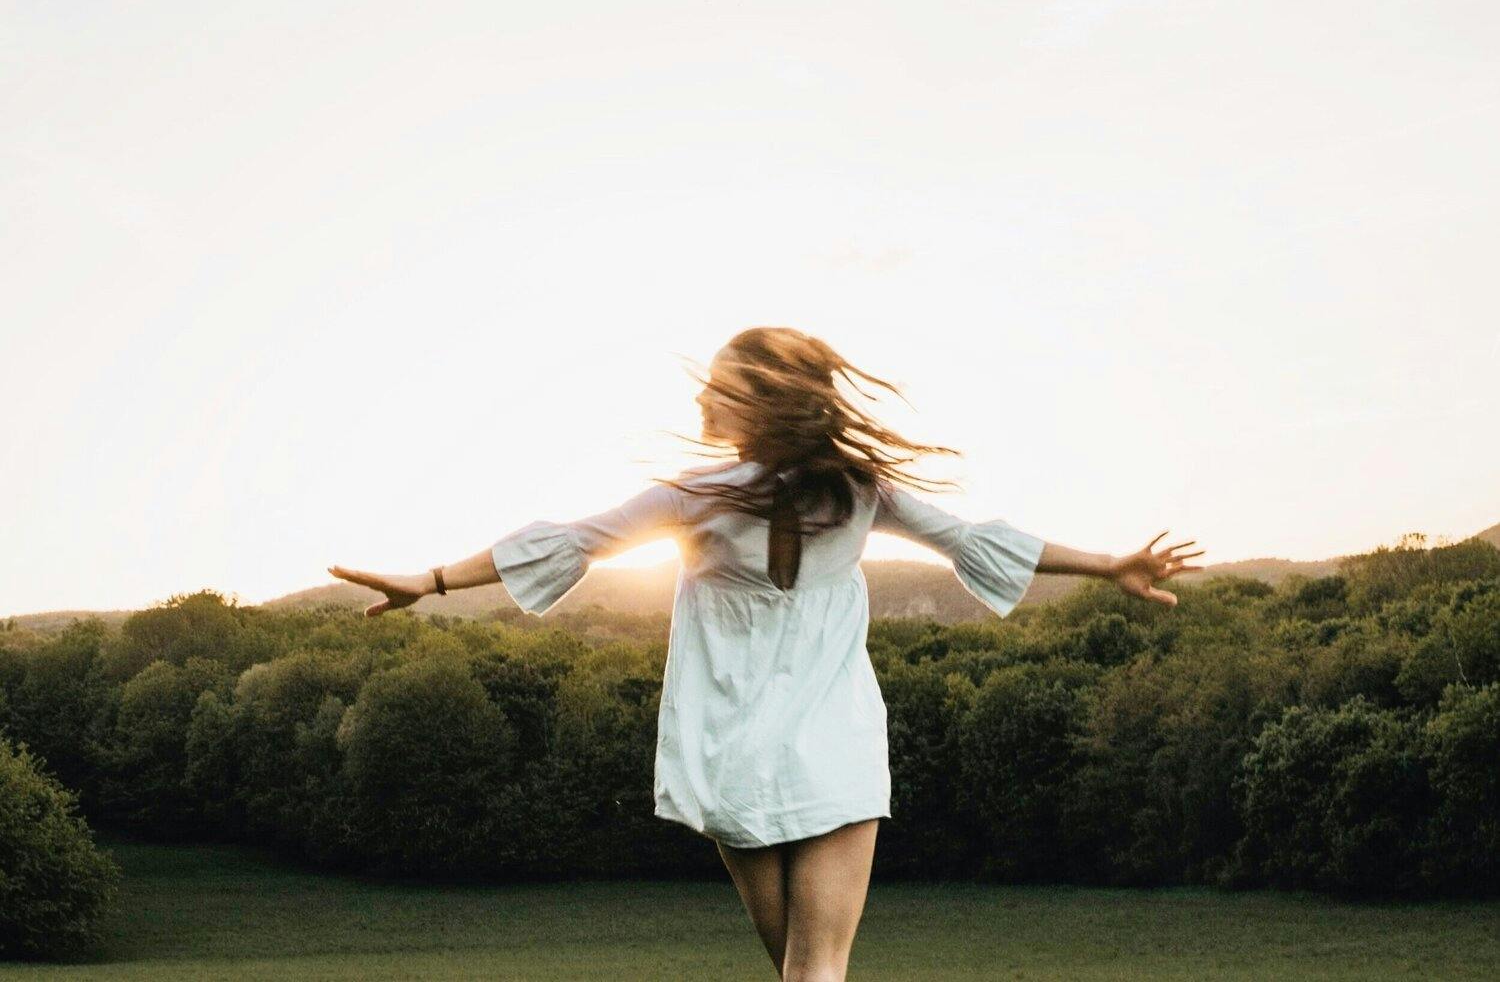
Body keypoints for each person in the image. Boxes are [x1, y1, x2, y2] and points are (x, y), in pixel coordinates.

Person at [328, 326, 1203, 982]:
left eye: (719, 389)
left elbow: (566, 543)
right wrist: (1106, 562)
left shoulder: (696, 493)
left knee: (796, 967)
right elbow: (973, 539)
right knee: (813, 971)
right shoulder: (858, 489)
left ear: (760, 402)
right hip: (828, 734)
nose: (704, 403)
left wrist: (433, 581)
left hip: (730, 741)